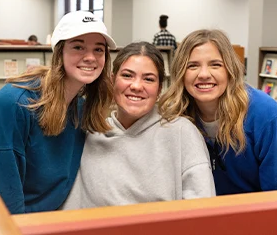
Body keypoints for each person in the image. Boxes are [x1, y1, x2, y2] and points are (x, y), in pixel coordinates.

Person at [0, 10, 116, 214]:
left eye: (99, 50)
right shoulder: (16, 103)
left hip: (49, 217)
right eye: (78, 47)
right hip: (1, 221)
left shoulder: (80, 107)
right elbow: (3, 197)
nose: (90, 57)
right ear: (59, 52)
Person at [159, 29, 277, 195]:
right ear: (180, 73)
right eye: (192, 66)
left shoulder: (264, 114)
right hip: (235, 191)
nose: (204, 74)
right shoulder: (177, 115)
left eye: (216, 65)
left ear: (230, 70)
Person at [61, 42, 215, 210]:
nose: (136, 86)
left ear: (159, 88)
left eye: (148, 79)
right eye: (127, 75)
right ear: (113, 80)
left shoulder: (182, 133)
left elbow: (203, 208)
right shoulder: (91, 133)